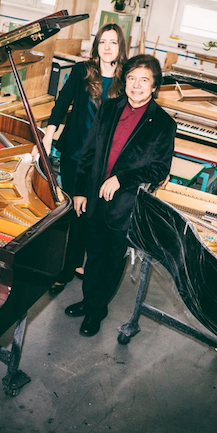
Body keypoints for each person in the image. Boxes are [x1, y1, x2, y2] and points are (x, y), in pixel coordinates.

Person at [64, 54, 176, 336]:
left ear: (154, 87)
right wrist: (80, 190)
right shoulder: (109, 107)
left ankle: (97, 310)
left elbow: (160, 168)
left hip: (125, 205)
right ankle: (88, 300)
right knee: (93, 253)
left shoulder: (163, 123)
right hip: (95, 196)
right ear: (124, 81)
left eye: (144, 80)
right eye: (131, 78)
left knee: (112, 259)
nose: (136, 85)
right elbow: (89, 151)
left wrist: (122, 179)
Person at [40, 23, 128, 295]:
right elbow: (62, 102)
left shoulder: (126, 79)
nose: (107, 47)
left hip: (104, 160)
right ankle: (66, 268)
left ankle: (79, 262)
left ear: (121, 47)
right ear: (96, 45)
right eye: (103, 42)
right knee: (73, 212)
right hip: (75, 154)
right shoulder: (82, 71)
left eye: (113, 42)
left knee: (93, 213)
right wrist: (48, 134)